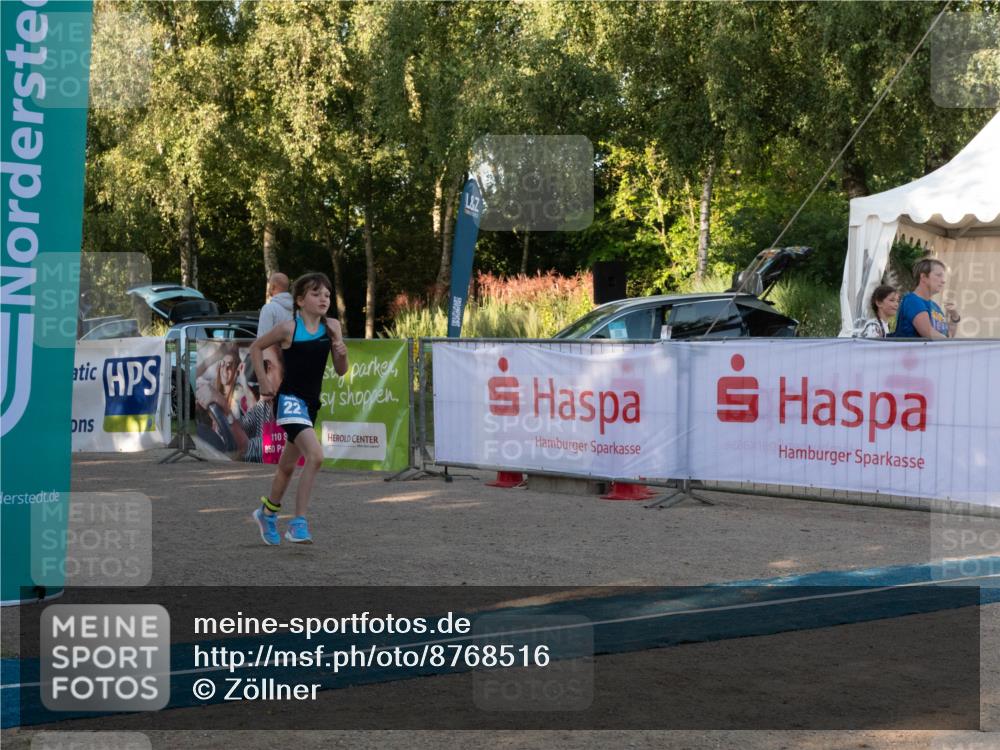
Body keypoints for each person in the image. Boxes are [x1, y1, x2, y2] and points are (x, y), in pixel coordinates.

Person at [249, 272, 348, 544]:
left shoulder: (332, 327)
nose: (323, 298)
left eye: (327, 294)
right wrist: (263, 381)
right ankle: (298, 523)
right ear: (301, 300)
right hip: (289, 400)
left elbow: (341, 371)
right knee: (315, 456)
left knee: (287, 467)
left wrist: (341, 349)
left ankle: (267, 513)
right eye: (316, 294)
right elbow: (256, 347)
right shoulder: (288, 328)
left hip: (311, 404)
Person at [894, 258, 961, 339]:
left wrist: (954, 316)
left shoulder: (935, 306)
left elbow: (948, 335)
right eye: (939, 275)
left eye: (943, 276)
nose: (944, 281)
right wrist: (950, 344)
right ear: (923, 277)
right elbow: (929, 333)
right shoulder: (912, 300)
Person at [257, 272, 294, 337]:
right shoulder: (298, 309)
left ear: (273, 287)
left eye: (269, 285)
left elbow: (263, 338)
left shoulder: (268, 308)